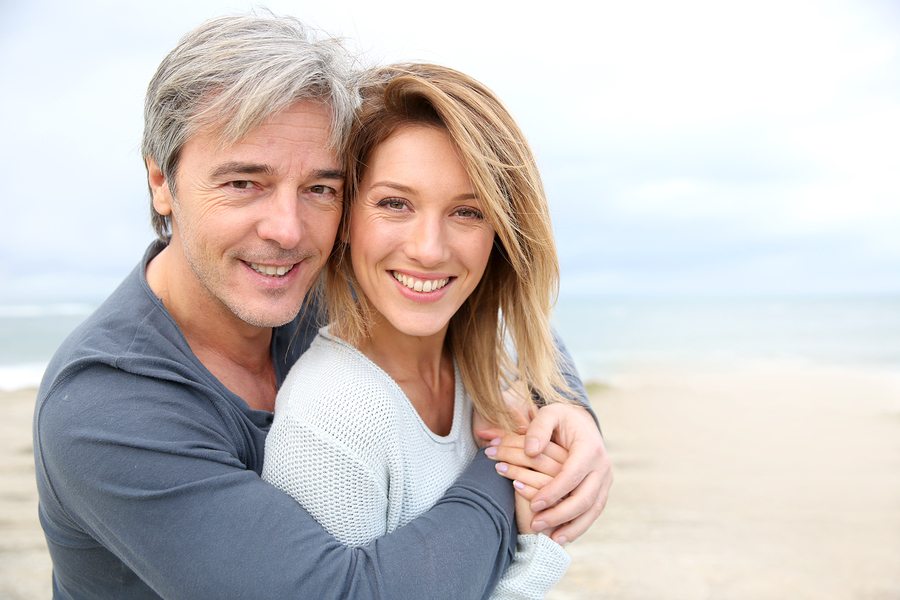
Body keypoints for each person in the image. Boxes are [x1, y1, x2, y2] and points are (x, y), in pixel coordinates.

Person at [32, 13, 611, 600]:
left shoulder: (315, 282)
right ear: (162, 180)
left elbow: (487, 312)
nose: (287, 231)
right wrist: (504, 468)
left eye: (320, 189)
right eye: (243, 183)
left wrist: (570, 412)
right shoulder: (105, 406)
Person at [262, 62, 586, 598]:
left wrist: (571, 418)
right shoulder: (333, 419)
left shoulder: (492, 363)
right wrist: (539, 550)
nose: (429, 249)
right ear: (346, 219)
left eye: (467, 212)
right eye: (395, 204)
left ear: (501, 235)